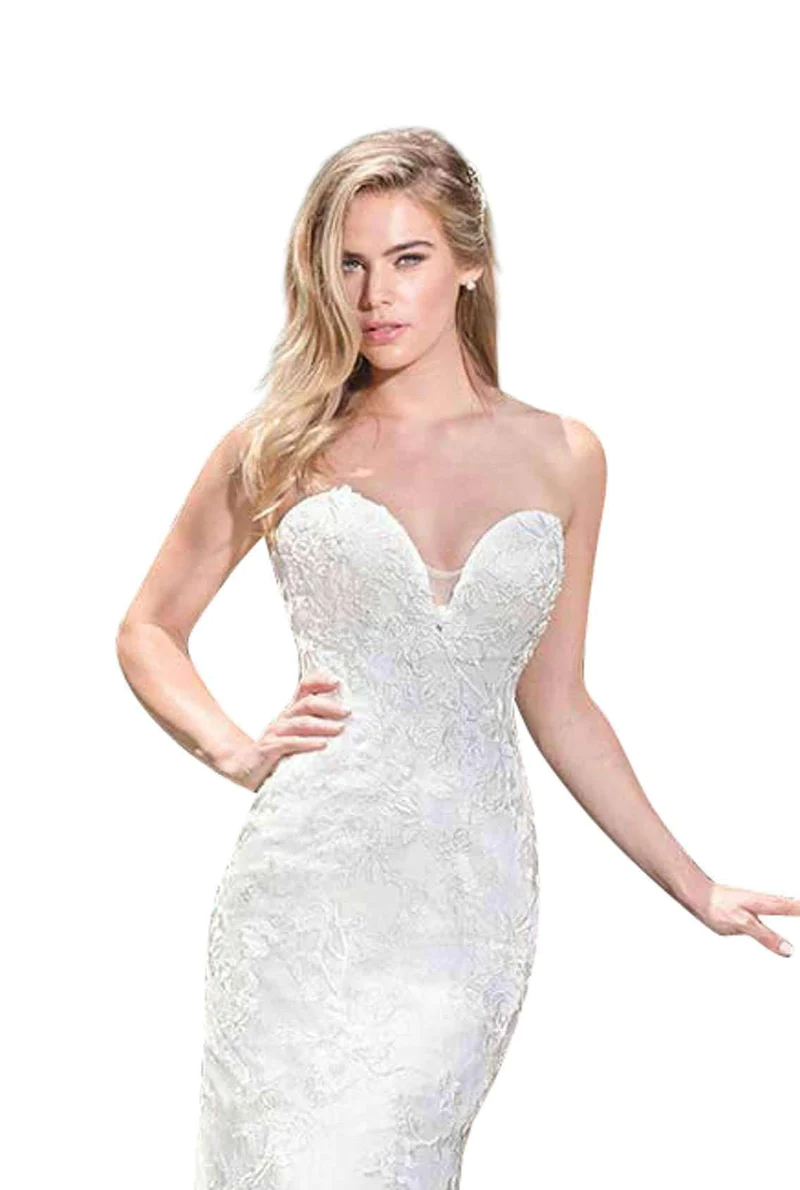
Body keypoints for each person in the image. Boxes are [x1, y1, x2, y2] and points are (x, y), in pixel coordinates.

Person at [116, 126, 799, 1188]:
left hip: (463, 901)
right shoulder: (280, 444)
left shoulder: (565, 455)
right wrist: (234, 749)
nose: (374, 294)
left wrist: (693, 883)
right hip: (302, 891)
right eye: (348, 263)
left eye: (408, 258)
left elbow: (559, 699)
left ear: (469, 263)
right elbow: (149, 626)